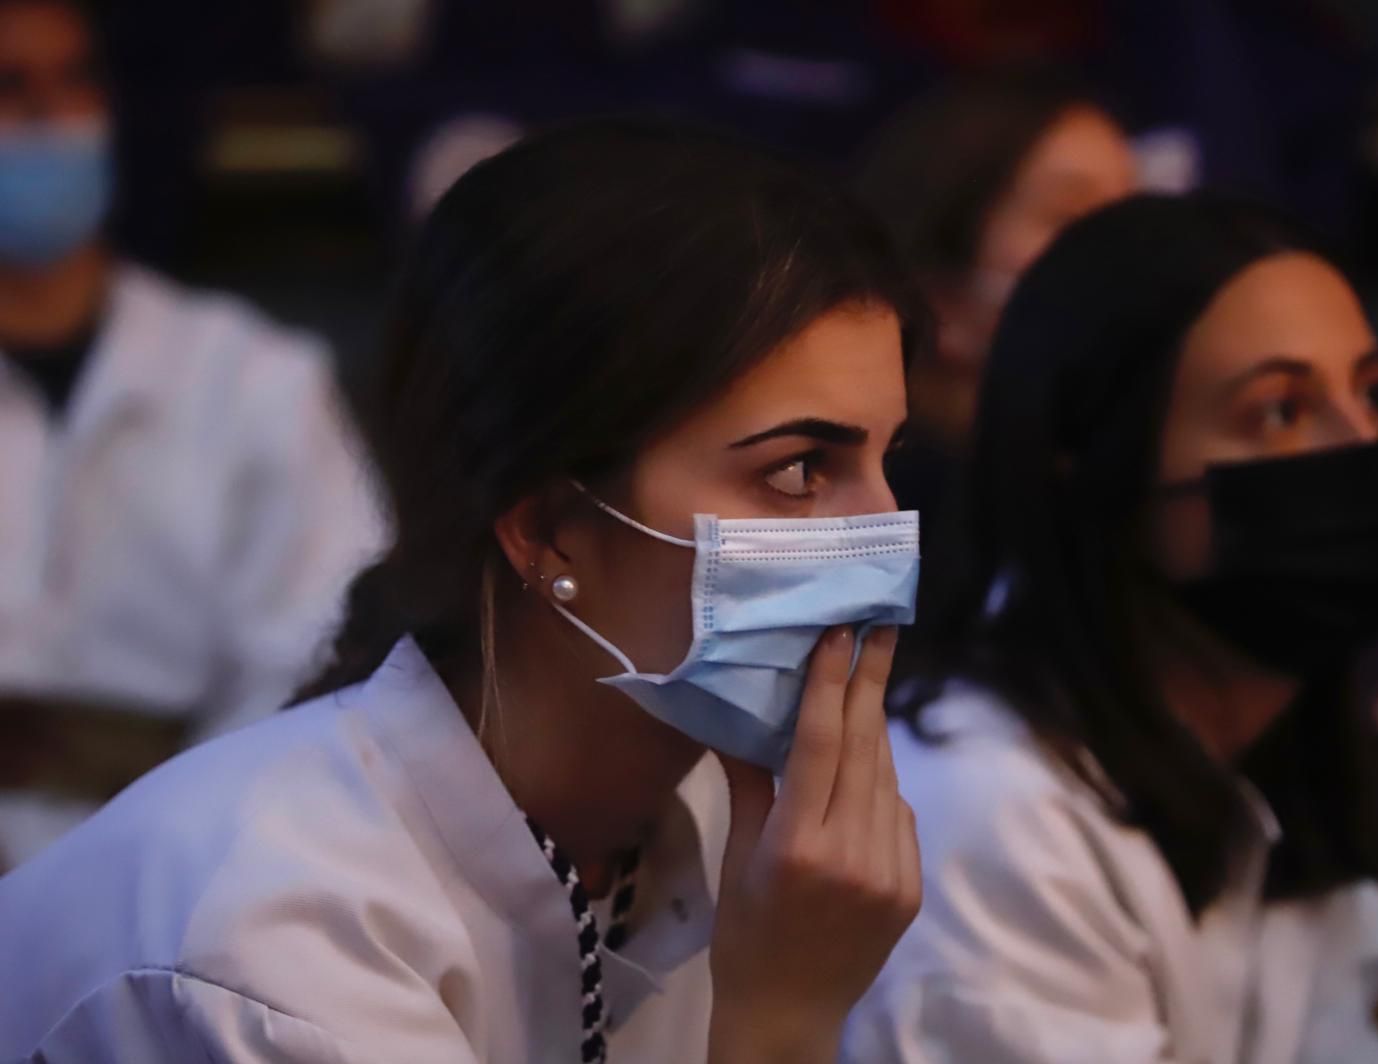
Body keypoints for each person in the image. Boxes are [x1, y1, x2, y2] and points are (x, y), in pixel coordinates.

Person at [0, 120, 925, 1063]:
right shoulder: (274, 945)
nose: (885, 539)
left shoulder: (745, 836)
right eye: (800, 470)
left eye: (892, 461)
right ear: (548, 528)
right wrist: (781, 1023)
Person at [843, 194, 1378, 1063]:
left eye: (1371, 393)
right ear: (1094, 463)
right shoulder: (990, 814)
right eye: (1279, 412)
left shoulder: (1268, 758)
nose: (1359, 445)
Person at [0, 0, 383, 868]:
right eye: (10, 87)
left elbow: (324, 658)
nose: (46, 120)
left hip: (184, 879)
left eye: (73, 83)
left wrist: (167, 858)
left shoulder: (254, 379)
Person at [857, 72, 1137, 527]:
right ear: (936, 290)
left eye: (1133, 215)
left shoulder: (1126, 493)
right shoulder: (878, 513)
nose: (1129, 251)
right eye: (1072, 217)